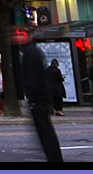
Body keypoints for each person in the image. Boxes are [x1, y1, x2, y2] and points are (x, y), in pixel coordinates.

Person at [16, 30, 62, 164]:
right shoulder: (31, 51)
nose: (17, 38)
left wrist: (32, 98)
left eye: (20, 34)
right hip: (40, 98)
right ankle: (54, 159)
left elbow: (33, 78)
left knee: (45, 133)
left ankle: (54, 159)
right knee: (45, 132)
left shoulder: (30, 53)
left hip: (39, 99)